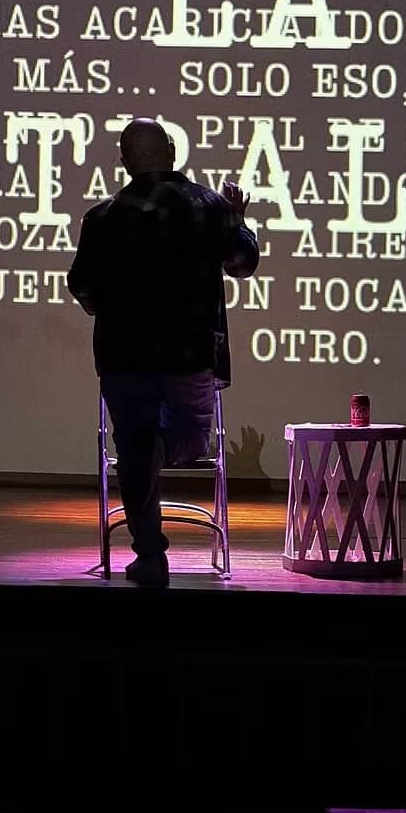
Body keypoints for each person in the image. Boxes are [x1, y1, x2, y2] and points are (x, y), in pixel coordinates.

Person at [68, 118, 260, 585]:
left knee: (134, 444)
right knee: (193, 437)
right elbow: (242, 263)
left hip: (123, 356)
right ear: (173, 152)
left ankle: (150, 554)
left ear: (124, 161)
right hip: (189, 356)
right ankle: (157, 449)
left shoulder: (102, 217)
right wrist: (237, 220)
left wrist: (114, 307)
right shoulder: (209, 207)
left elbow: (83, 287)